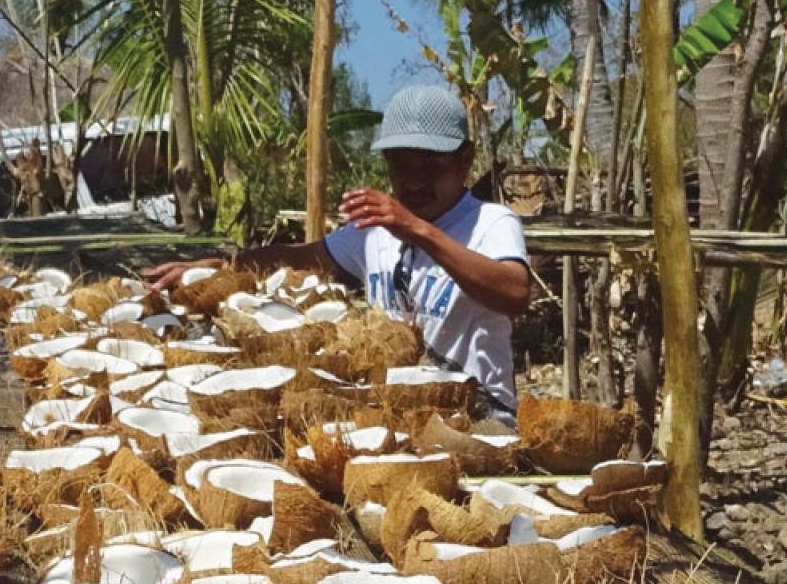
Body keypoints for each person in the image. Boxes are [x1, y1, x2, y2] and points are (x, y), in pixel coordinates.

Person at [147, 84, 533, 416]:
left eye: (431, 165)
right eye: (401, 166)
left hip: (479, 413)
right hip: (396, 409)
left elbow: (514, 293)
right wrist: (221, 266)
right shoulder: (374, 234)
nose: (415, 181)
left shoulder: (491, 223)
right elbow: (299, 257)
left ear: (464, 159)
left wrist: (417, 230)